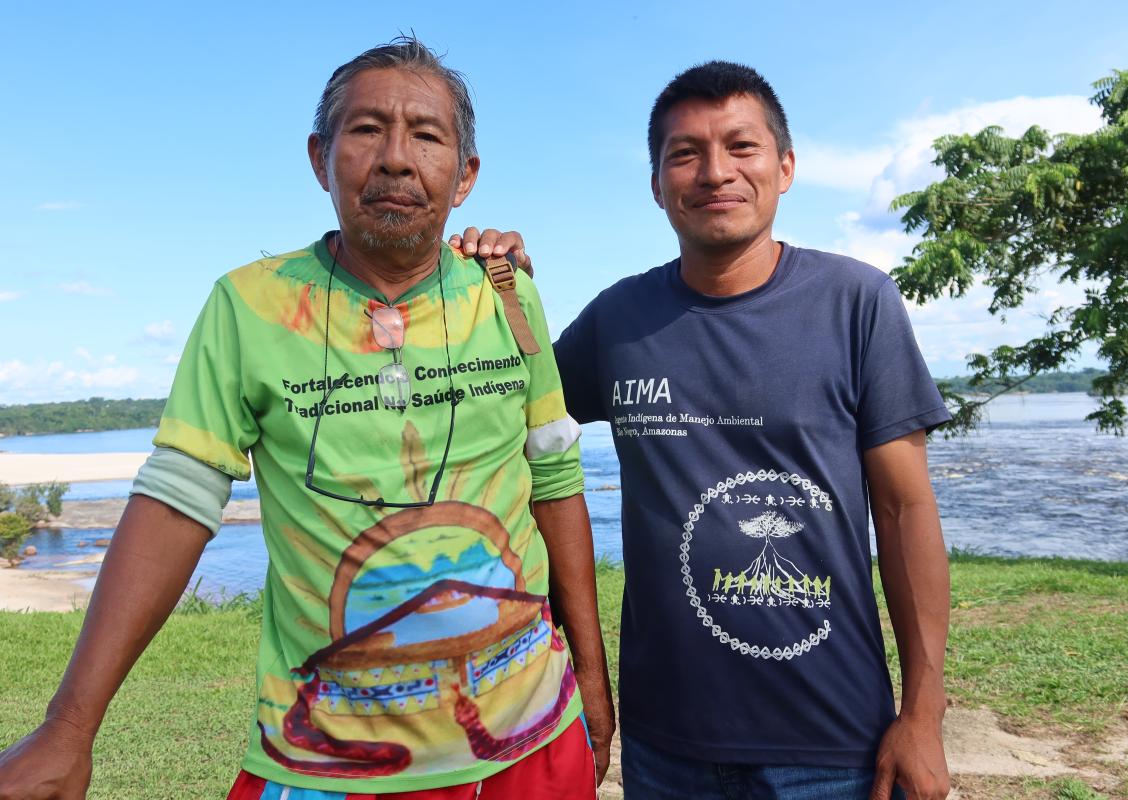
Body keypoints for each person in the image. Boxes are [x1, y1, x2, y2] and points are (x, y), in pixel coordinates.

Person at [0, 36, 613, 800]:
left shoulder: (507, 295)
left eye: (427, 135)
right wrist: (68, 727)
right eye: (366, 130)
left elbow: (554, 478)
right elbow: (176, 501)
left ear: (466, 177)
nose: (395, 158)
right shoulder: (248, 306)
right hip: (328, 766)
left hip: (534, 742)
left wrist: (591, 673)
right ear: (321, 157)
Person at [547, 60, 953, 800]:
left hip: (831, 744)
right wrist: (485, 284)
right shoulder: (618, 321)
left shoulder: (856, 302)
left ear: (785, 166)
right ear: (656, 183)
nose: (714, 172)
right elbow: (509, 429)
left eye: (741, 147)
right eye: (684, 154)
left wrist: (922, 714)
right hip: (664, 745)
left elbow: (904, 509)